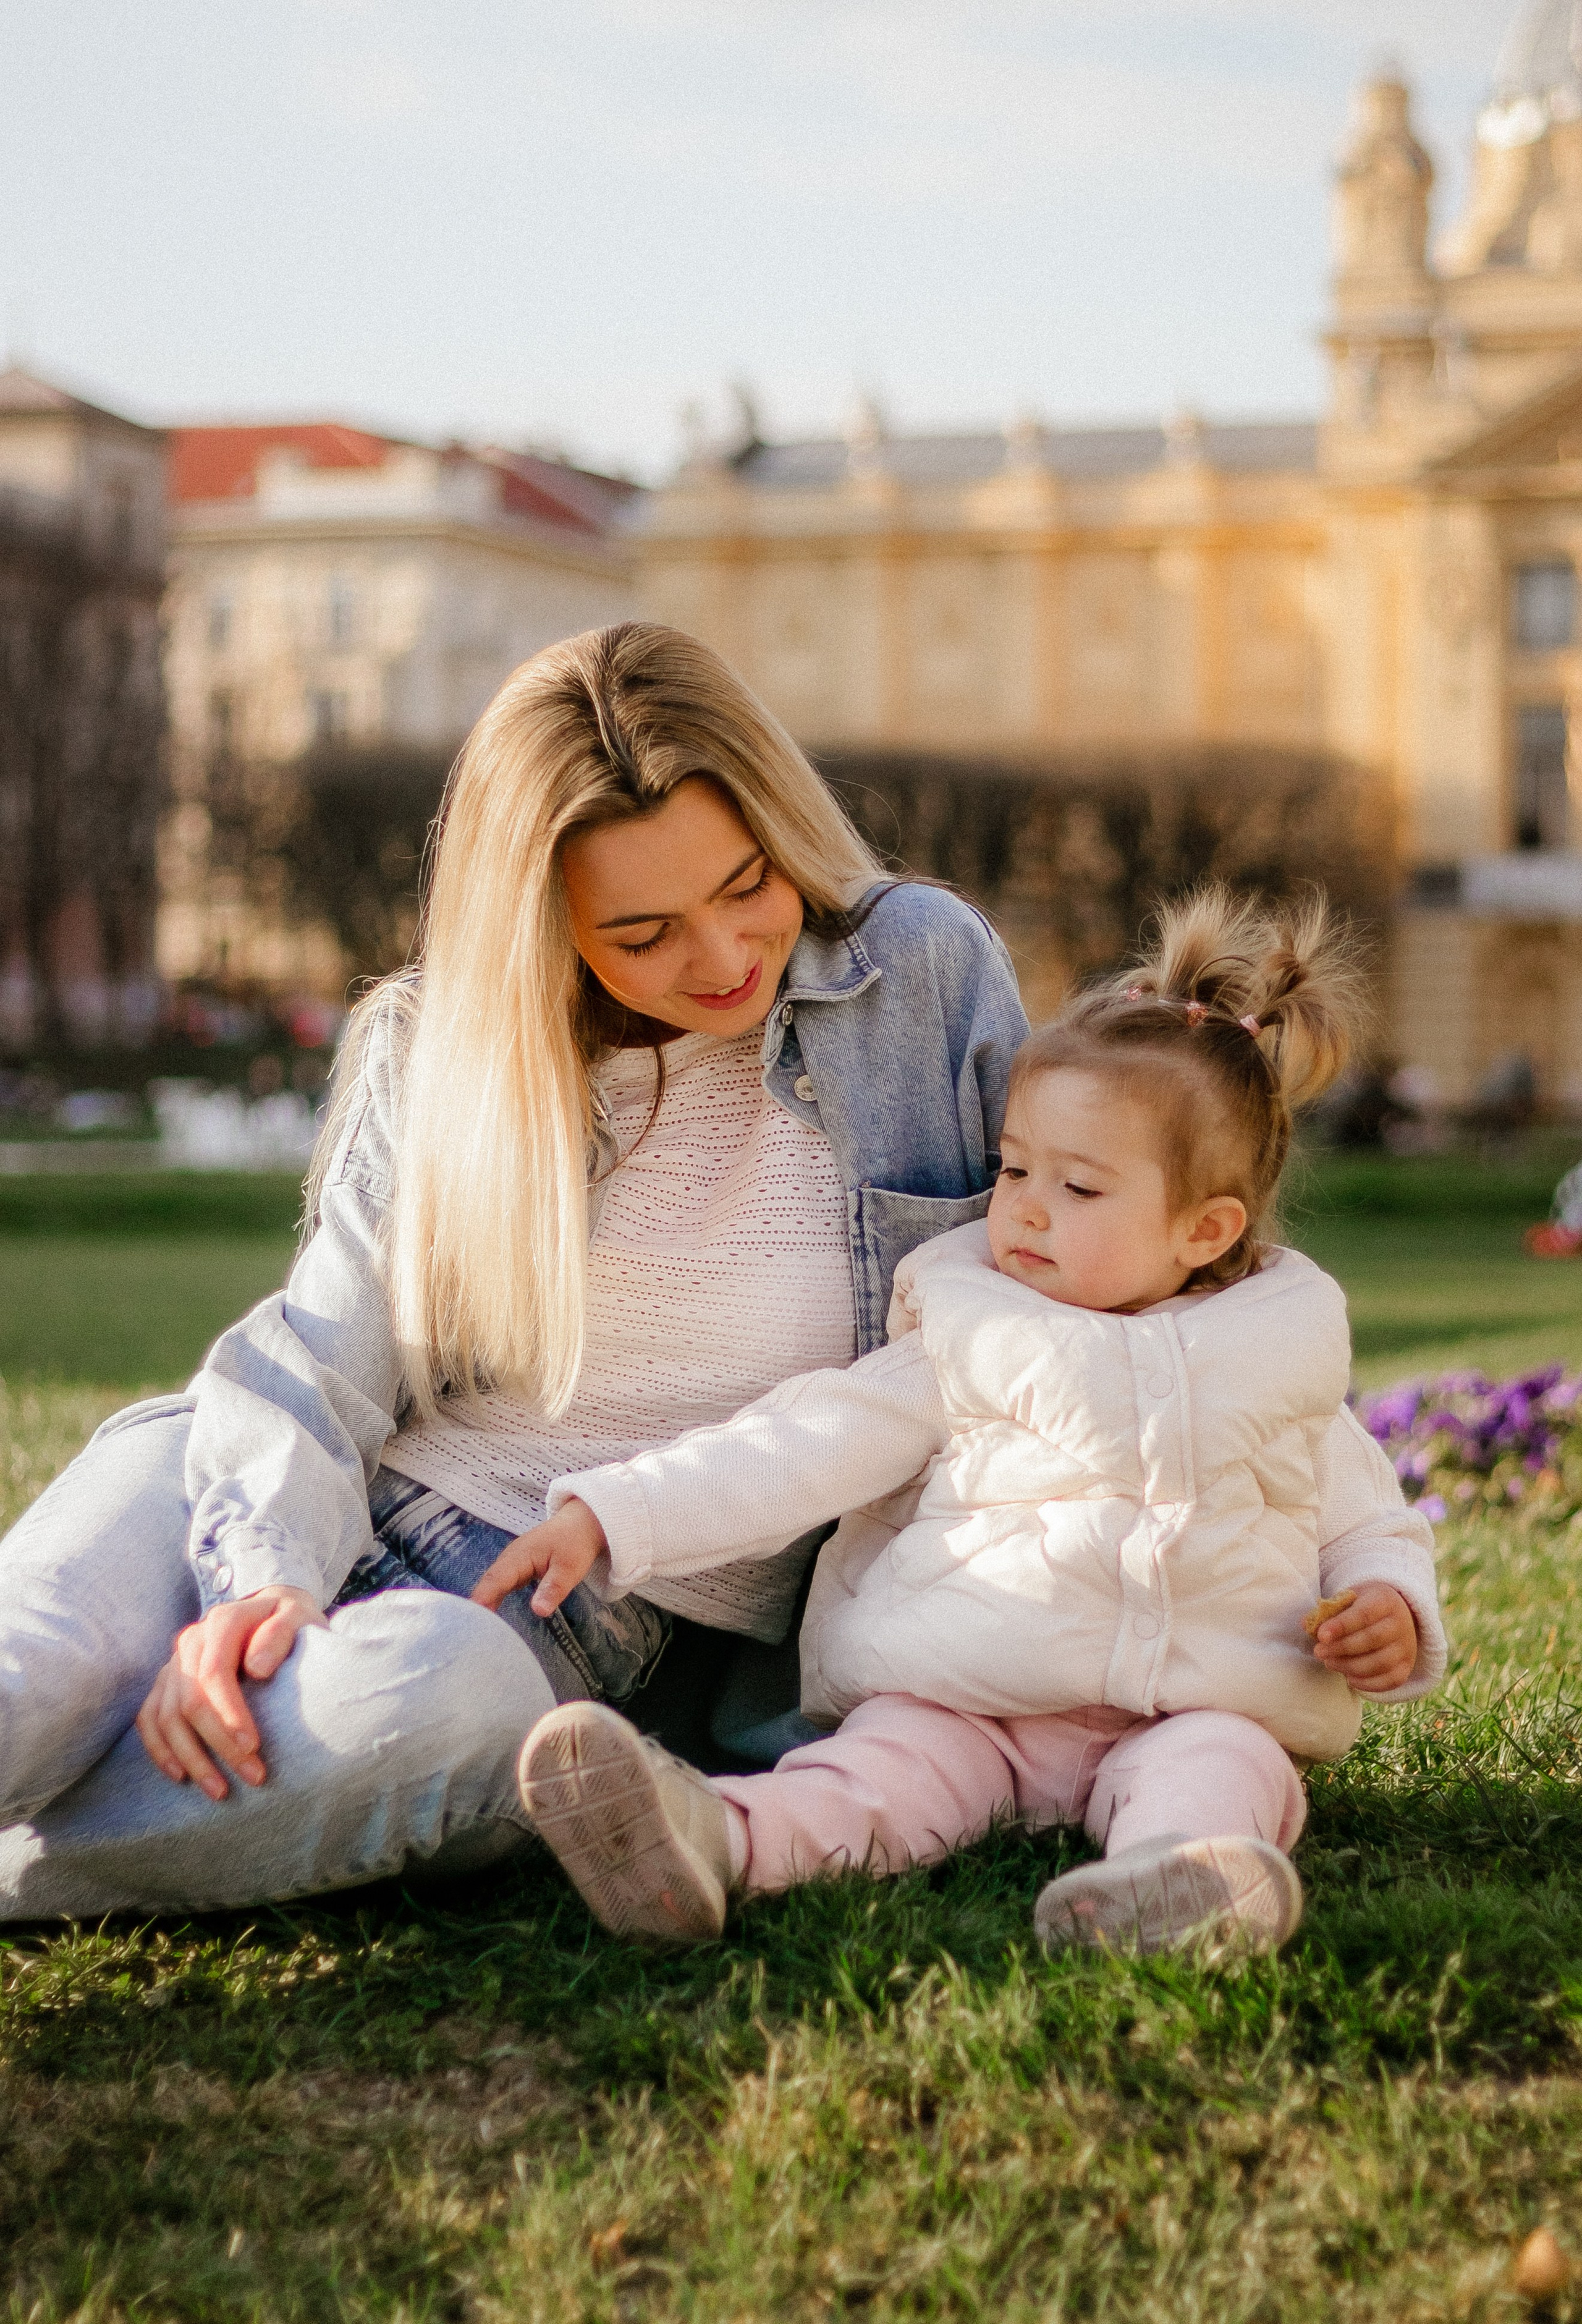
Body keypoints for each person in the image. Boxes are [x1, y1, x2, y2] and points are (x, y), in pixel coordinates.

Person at [0, 622, 1026, 1918]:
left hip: (542, 1638)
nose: (722, 959)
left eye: (746, 883)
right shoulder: (449, 1041)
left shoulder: (919, 975)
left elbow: (1062, 1279)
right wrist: (260, 1583)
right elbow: (321, 1361)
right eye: (643, 933)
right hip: (265, 1494)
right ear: (544, 926)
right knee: (34, 1679)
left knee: (437, 1697)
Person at [493, 889, 1447, 1955]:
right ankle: (716, 1838)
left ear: (1205, 1228)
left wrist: (1389, 1602)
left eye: (1080, 1187)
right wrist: (617, 1515)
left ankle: (1179, 1877)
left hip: (1195, 1703)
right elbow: (801, 1445)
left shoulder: (1274, 1361)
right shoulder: (969, 1331)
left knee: (1231, 1767)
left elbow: (1368, 1520)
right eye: (1015, 1168)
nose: (1027, 1205)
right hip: (966, 1698)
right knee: (873, 1779)